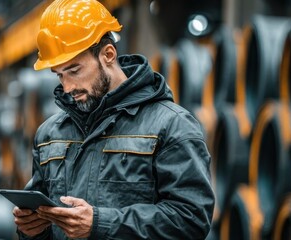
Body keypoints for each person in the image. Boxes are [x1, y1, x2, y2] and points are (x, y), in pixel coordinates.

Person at [12, 0, 214, 239]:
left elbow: (191, 219)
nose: (67, 87)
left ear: (108, 54)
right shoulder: (49, 135)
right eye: (59, 75)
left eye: (74, 70)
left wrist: (101, 223)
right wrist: (31, 229)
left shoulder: (171, 126)